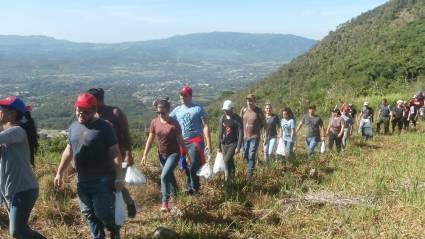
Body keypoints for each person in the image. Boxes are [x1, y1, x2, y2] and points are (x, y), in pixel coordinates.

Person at [55, 93, 123, 239]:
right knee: (89, 214)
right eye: (78, 110)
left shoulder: (105, 127)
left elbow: (116, 153)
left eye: (85, 111)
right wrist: (59, 172)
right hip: (82, 179)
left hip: (102, 180)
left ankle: (114, 228)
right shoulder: (73, 127)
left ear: (94, 110)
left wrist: (119, 177)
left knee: (102, 213)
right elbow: (69, 151)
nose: (81, 114)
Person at [0, 96, 46, 239]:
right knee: (21, 230)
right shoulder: (10, 133)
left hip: (23, 190)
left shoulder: (17, 131)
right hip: (11, 190)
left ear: (12, 114)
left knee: (17, 231)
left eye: (1, 110)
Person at [87, 88, 136, 218]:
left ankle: (128, 204)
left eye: (91, 100)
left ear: (98, 100)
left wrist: (128, 154)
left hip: (118, 154)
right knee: (108, 184)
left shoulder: (115, 113)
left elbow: (126, 135)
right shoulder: (91, 115)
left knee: (116, 183)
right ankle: (113, 212)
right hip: (101, 157)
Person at [141, 98, 189, 211]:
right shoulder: (154, 122)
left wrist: (187, 154)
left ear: (168, 110)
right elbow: (150, 138)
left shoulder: (174, 123)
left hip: (174, 153)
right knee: (169, 176)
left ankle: (165, 201)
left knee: (164, 176)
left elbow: (180, 140)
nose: (160, 114)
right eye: (158, 112)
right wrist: (144, 155)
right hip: (161, 154)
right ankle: (177, 196)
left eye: (162, 112)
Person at [170, 86, 211, 194]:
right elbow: (167, 121)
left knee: (193, 165)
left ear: (190, 96)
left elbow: (205, 126)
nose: (182, 97)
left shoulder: (198, 108)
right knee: (186, 166)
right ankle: (191, 188)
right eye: (181, 95)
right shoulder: (177, 110)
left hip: (195, 142)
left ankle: (194, 188)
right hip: (182, 142)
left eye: (184, 95)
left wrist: (208, 143)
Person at [240, 94, 265, 181]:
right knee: (246, 156)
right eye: (248, 100)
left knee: (251, 155)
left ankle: (249, 176)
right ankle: (251, 167)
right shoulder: (243, 110)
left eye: (251, 100)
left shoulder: (258, 111)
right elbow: (240, 123)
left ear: (254, 101)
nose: (249, 102)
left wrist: (265, 135)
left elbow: (264, 123)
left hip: (255, 137)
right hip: (245, 137)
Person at [217, 100, 243, 182]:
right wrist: (218, 146)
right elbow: (220, 131)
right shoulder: (223, 118)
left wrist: (238, 147)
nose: (226, 111)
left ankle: (227, 180)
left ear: (232, 109)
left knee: (226, 161)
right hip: (224, 144)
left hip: (233, 143)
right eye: (225, 110)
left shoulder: (237, 119)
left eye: (227, 110)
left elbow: (241, 134)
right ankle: (233, 177)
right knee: (230, 161)